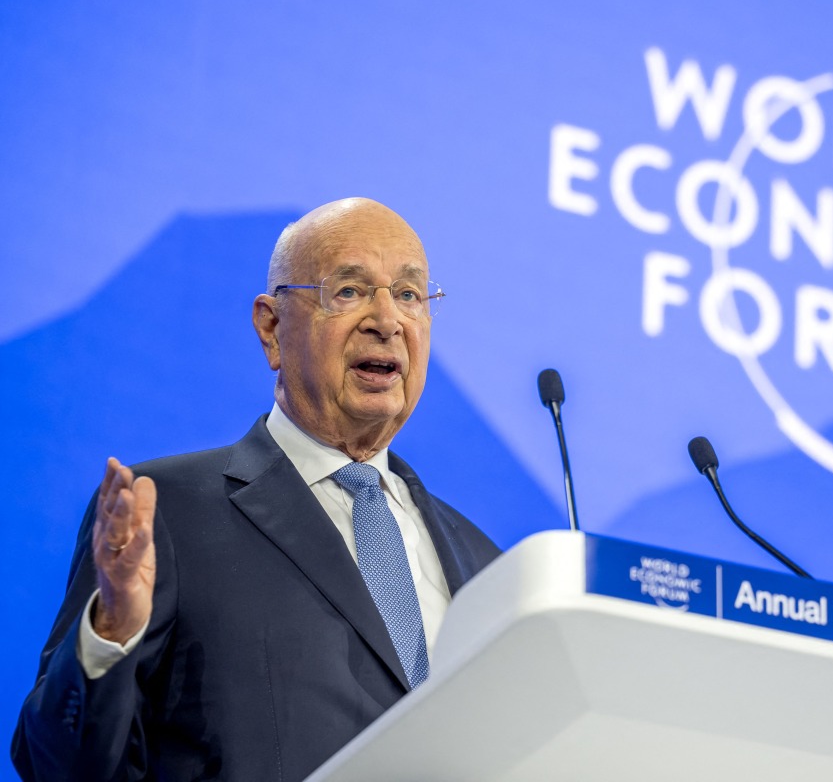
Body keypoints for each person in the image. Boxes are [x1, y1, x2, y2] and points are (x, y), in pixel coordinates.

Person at [11, 198, 501, 781]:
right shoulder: (168, 513)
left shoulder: (483, 563)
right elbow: (55, 767)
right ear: (272, 327)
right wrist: (112, 633)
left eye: (409, 295)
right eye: (348, 291)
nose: (387, 320)